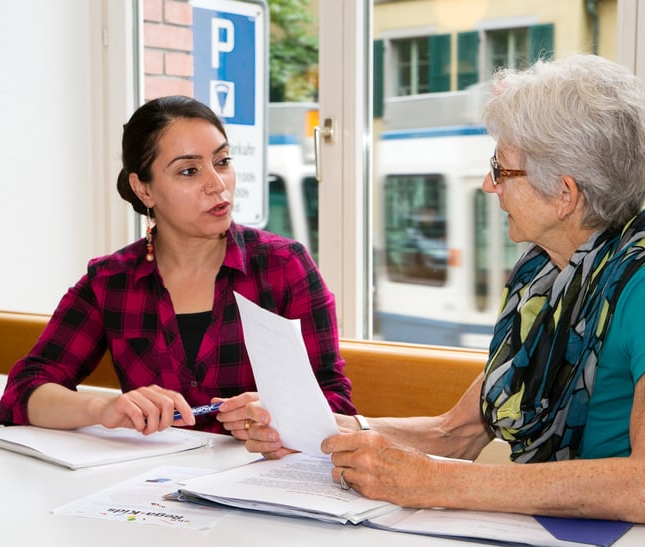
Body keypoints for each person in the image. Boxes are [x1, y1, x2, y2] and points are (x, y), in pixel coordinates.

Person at [244, 55, 645, 523]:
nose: (486, 186)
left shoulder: (636, 286)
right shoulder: (542, 278)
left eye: (501, 170)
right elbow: (455, 433)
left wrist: (434, 481)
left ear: (564, 194)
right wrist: (323, 429)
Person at [0, 95, 356, 437]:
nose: (217, 185)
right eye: (189, 171)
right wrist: (103, 408)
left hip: (259, 490)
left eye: (223, 161)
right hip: (147, 490)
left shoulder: (283, 267)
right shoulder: (111, 281)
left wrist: (279, 415)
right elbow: (25, 391)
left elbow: (335, 399)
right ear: (144, 189)